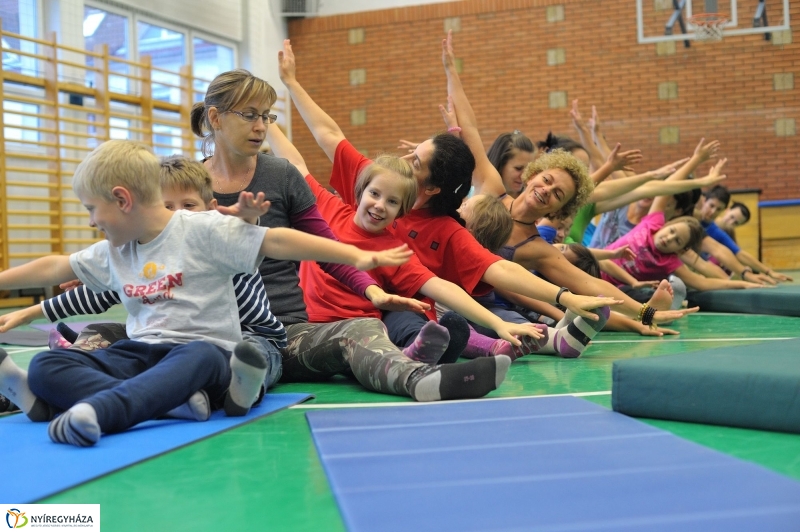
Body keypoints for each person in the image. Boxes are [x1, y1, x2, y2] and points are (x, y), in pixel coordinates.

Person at [0, 140, 413, 446]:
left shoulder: (203, 230)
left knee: (198, 355)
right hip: (143, 356)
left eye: (92, 209)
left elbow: (277, 241)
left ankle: (104, 411)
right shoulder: (116, 249)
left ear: (122, 200)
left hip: (206, 359)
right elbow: (55, 266)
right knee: (48, 365)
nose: (91, 221)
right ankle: (170, 404)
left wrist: (354, 255)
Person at [278, 39, 622, 357]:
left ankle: (517, 344)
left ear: (430, 189)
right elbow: (323, 138)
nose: (405, 160)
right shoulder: (379, 182)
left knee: (443, 318)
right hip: (343, 318)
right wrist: (288, 86)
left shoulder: (436, 231)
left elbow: (494, 270)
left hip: (396, 316)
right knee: (441, 318)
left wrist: (568, 298)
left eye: (416, 161)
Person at [192, 68, 510, 401]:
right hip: (207, 326)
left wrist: (372, 291)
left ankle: (421, 379)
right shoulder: (188, 183)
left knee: (363, 328)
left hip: (283, 331)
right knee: (189, 352)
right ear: (215, 118)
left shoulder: (282, 176)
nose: (261, 126)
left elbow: (328, 251)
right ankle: (205, 387)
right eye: (249, 115)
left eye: (266, 116)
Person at [440, 31, 695, 335]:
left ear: (559, 209)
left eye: (557, 193)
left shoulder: (537, 248)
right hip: (433, 279)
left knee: (513, 323)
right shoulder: (491, 189)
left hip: (473, 305)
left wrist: (645, 313)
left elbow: (590, 283)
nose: (546, 190)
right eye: (546, 180)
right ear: (532, 175)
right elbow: (470, 128)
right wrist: (451, 70)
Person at [265, 124, 557, 360]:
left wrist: (498, 323)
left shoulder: (395, 251)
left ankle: (422, 361)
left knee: (386, 340)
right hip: (310, 330)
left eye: (392, 202)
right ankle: (424, 357)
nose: (380, 206)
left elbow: (442, 287)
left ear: (402, 211)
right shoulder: (329, 209)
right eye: (375, 194)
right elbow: (296, 163)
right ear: (360, 190)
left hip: (362, 331)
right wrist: (266, 120)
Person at [0, 157, 287, 394]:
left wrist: (247, 220)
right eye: (168, 207)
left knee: (249, 356)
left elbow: (249, 237)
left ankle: (239, 389)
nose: (178, 215)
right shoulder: (144, 250)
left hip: (246, 337)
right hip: (174, 344)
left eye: (188, 206)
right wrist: (31, 312)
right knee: (109, 337)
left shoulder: (214, 241)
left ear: (211, 209)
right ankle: (72, 373)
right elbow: (99, 295)